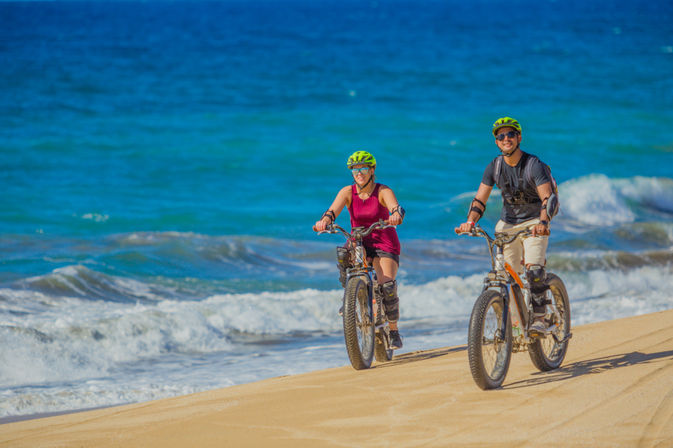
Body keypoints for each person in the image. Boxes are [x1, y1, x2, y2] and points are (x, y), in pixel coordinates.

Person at [455, 117, 557, 336]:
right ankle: (515, 322)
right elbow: (480, 199)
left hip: (534, 222)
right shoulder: (495, 166)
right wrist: (470, 222)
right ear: (496, 142)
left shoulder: (533, 165)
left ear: (519, 137)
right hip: (508, 223)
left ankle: (541, 317)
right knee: (505, 275)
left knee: (534, 268)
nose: (506, 139)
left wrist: (543, 223)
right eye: (500, 136)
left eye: (510, 134)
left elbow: (547, 198)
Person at [315, 150, 405, 349]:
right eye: (355, 169)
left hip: (383, 241)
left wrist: (396, 215)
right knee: (344, 255)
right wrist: (325, 221)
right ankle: (350, 297)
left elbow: (395, 207)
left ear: (372, 170)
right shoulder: (347, 192)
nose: (359, 173)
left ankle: (394, 331)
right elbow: (332, 211)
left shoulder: (382, 191)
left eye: (363, 168)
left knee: (387, 286)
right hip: (359, 240)